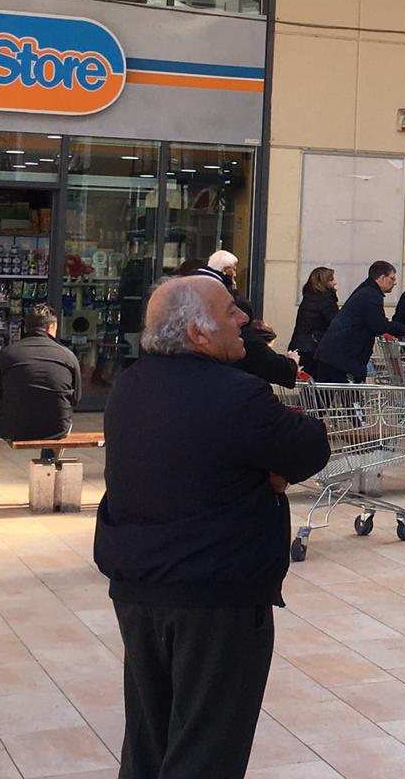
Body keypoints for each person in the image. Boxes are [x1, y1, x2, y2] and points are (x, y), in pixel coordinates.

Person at [94, 276, 330, 779]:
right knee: (206, 750)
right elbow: (310, 445)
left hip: (139, 590)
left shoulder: (130, 387)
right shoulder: (237, 396)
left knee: (149, 740)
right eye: (229, 312)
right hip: (217, 598)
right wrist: (268, 468)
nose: (243, 318)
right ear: (198, 334)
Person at [0, 304, 80, 508]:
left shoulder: (5, 355)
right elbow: (75, 398)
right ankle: (47, 473)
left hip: (12, 426)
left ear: (26, 327)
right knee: (55, 418)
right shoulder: (68, 356)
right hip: (57, 426)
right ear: (52, 328)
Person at [194, 262, 298, 389]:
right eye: (231, 312)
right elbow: (270, 364)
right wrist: (292, 363)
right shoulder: (243, 340)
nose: (243, 318)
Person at [313, 260, 405, 383]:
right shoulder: (371, 295)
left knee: (330, 391)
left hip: (334, 355)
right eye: (392, 278)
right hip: (342, 358)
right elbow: (378, 325)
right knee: (346, 392)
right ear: (382, 278)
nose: (394, 283)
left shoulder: (366, 290)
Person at [288, 266, 339, 373]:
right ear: (324, 281)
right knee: (318, 379)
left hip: (299, 345)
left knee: (305, 379)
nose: (335, 282)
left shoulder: (308, 297)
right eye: (331, 279)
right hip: (314, 347)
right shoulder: (326, 299)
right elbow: (335, 323)